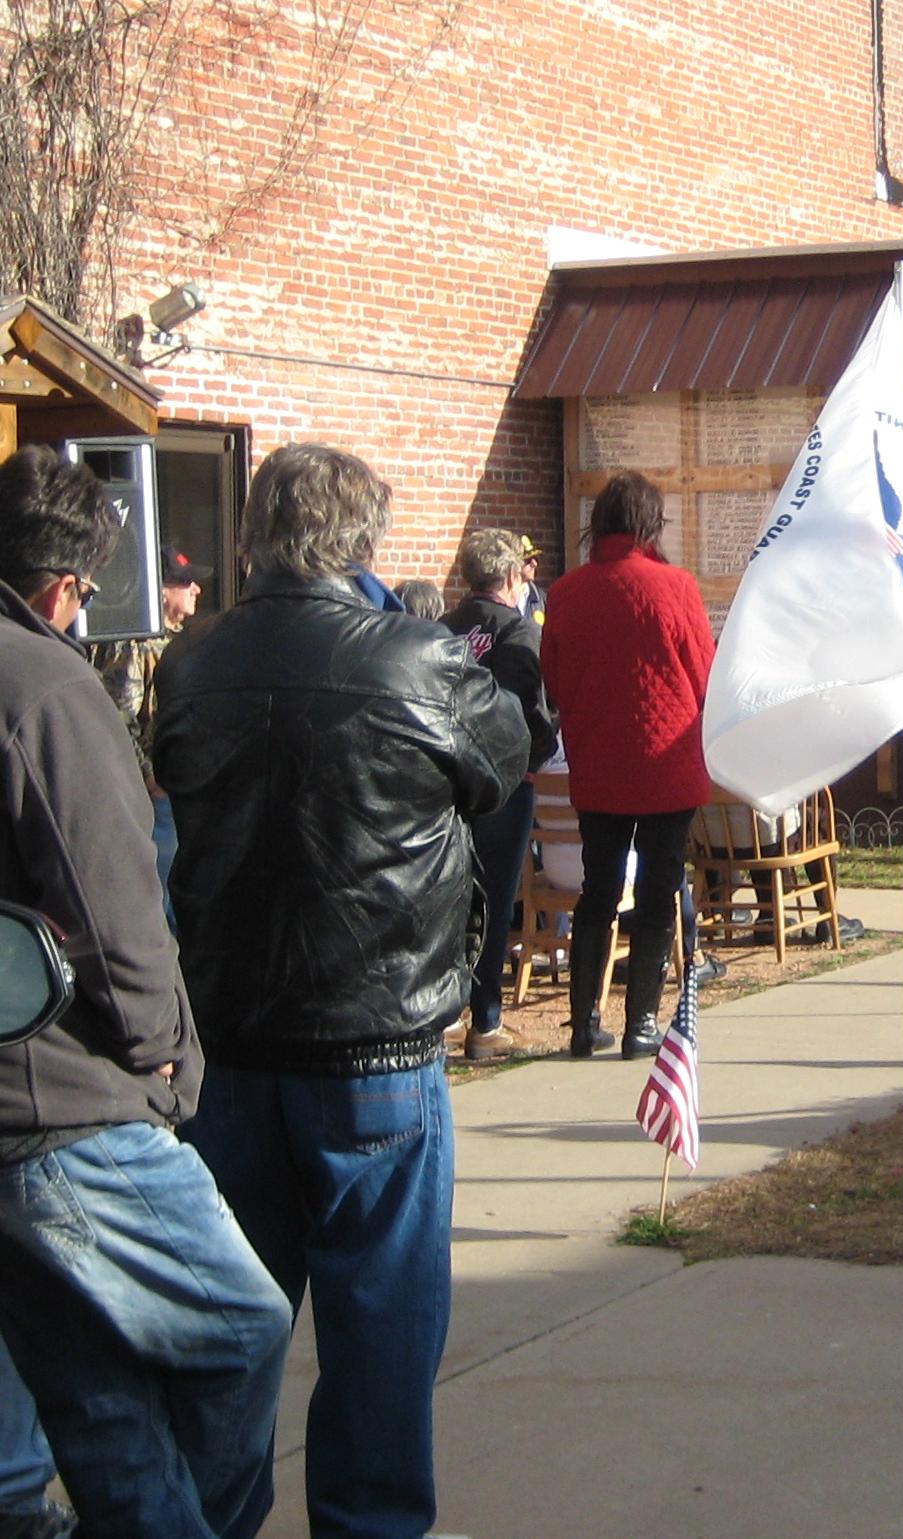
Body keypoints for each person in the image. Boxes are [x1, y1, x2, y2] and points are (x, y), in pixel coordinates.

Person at [155, 442, 528, 1539]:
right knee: (377, 1338)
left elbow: (498, 751)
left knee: (230, 1332)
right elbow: (504, 755)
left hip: (235, 1048)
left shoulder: (194, 660)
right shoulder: (411, 659)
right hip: (372, 1052)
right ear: (362, 543)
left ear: (251, 538)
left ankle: (209, 1520)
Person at [0, 446, 291, 1539]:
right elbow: (112, 896)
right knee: (241, 1326)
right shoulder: (43, 687)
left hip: (25, 1104)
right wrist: (166, 1054)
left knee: (88, 1379)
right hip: (63, 1097)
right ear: (68, 588)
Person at [541, 470, 714, 1058]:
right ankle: (641, 1023)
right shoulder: (676, 587)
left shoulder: (565, 593)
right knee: (659, 889)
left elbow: (555, 682)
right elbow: (703, 675)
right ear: (649, 524)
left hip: (599, 764)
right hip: (666, 765)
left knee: (599, 888)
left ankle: (584, 1024)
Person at [442, 528, 561, 1060]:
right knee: (492, 903)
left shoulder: (439, 632)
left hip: (446, 785)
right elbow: (528, 715)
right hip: (503, 787)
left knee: (450, 899)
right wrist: (541, 751)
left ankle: (446, 1014)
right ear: (513, 577)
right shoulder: (519, 633)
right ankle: (485, 1023)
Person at [88, 545, 210, 930]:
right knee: (160, 898)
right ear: (160, 590)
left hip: (172, 785)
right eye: (185, 583)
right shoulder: (133, 642)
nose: (197, 591)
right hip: (152, 793)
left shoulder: (175, 639)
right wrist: (148, 775)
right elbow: (118, 713)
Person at [517, 533, 546, 625]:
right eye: (528, 560)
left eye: (535, 559)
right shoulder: (500, 598)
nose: (534, 564)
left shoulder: (541, 599)